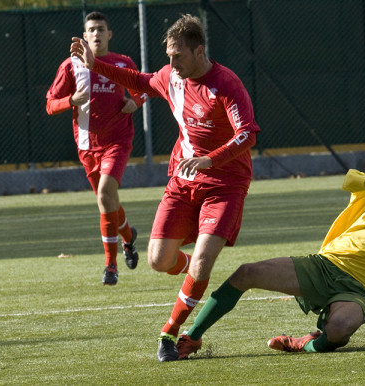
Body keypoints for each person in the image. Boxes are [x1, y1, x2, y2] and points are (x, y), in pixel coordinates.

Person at [70, 14, 261, 361]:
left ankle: (169, 334)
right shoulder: (171, 77)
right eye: (169, 56)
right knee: (159, 261)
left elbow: (248, 133)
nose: (171, 63)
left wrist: (210, 159)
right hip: (182, 181)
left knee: (203, 262)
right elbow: (137, 80)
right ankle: (193, 266)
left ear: (199, 51)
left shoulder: (227, 84)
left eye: (178, 56)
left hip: (225, 185)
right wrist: (94, 64)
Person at [176, 138, 365, 359]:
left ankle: (304, 343)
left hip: (362, 289)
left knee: (338, 330)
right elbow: (349, 180)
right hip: (326, 265)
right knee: (246, 273)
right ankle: (192, 338)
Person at [47, 11, 146, 286]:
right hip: (87, 146)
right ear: (85, 35)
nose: (97, 34)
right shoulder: (71, 66)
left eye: (102, 29)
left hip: (117, 141)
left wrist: (135, 102)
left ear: (109, 34)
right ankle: (128, 239)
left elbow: (145, 88)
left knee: (105, 193)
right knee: (108, 200)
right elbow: (50, 104)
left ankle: (110, 266)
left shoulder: (122, 63)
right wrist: (71, 100)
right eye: (92, 29)